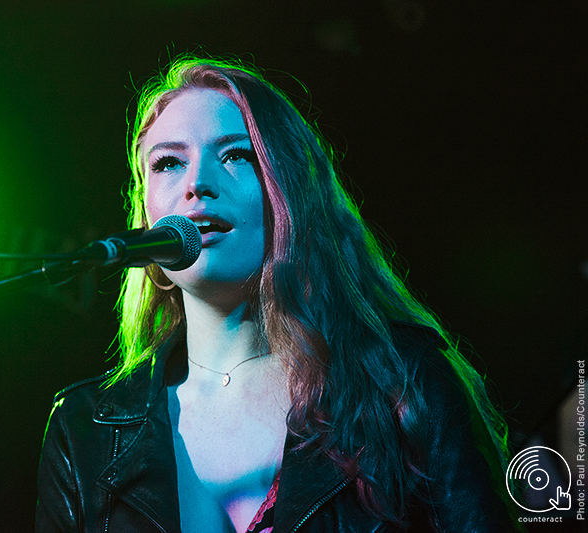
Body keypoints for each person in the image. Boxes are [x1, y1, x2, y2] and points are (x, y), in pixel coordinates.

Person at [35, 55, 521, 532]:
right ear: (146, 216)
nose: (197, 184)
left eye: (236, 155)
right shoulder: (85, 431)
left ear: (288, 191)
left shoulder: (402, 383)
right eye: (167, 163)